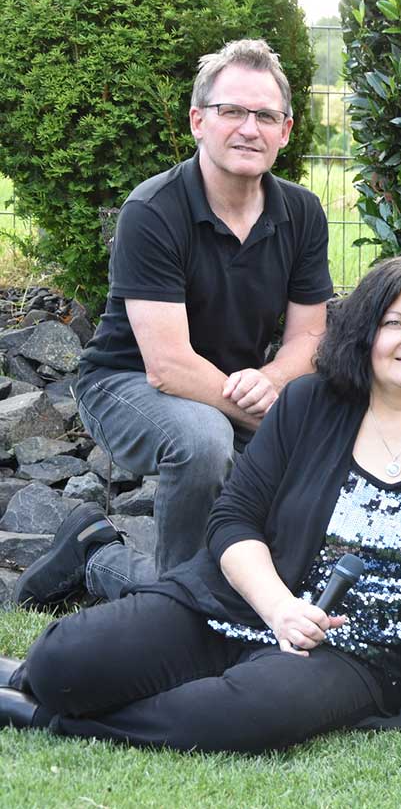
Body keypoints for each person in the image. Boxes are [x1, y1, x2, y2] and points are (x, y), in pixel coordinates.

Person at [0, 256, 401, 749]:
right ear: (364, 332)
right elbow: (232, 520)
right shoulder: (310, 403)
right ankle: (41, 686)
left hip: (363, 650)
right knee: (64, 660)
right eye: (395, 322)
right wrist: (277, 607)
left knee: (234, 717)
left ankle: (44, 718)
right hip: (244, 601)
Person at [16, 40, 332, 607]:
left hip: (238, 384)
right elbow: (166, 367)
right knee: (203, 440)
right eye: (231, 111)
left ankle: (99, 557)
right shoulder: (154, 210)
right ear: (197, 121)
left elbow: (309, 335)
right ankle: (181, 614)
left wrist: (278, 384)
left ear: (285, 131)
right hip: (125, 382)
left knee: (332, 417)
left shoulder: (302, 213)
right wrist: (277, 420)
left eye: (265, 116)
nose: (248, 128)